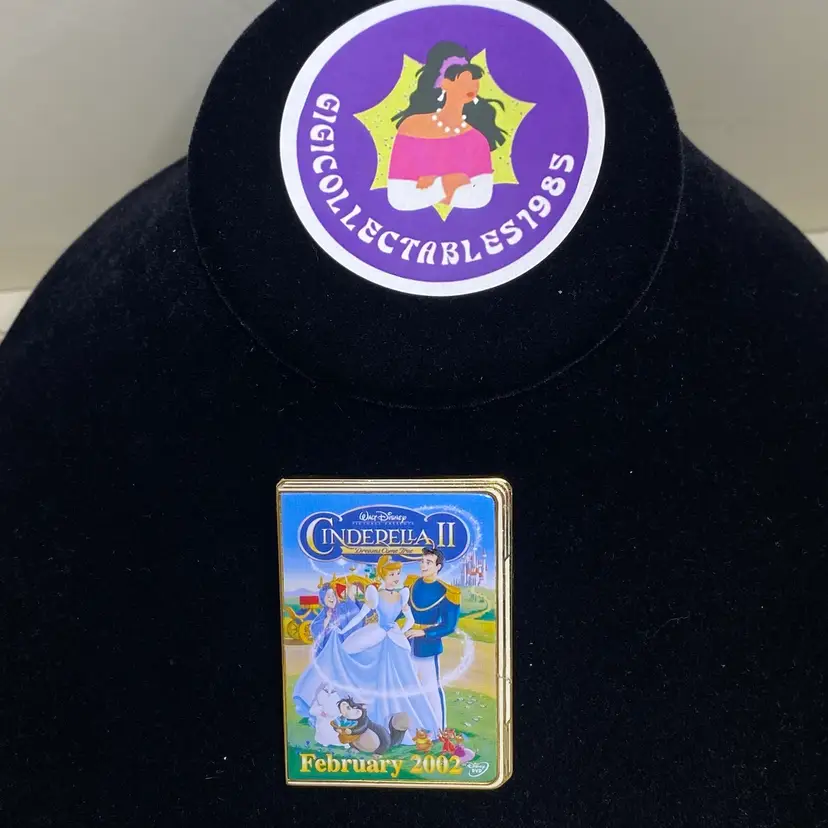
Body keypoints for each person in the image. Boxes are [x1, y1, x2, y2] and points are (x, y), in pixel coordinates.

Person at [293, 556, 441, 741]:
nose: (396, 577)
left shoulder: (403, 593)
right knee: (365, 668)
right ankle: (369, 719)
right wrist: (343, 630)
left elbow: (410, 619)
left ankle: (402, 725)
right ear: (382, 575)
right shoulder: (374, 593)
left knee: (403, 679)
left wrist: (400, 631)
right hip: (377, 636)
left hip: (394, 639)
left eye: (397, 573)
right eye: (392, 574)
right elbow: (360, 615)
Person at [387, 41, 506, 212]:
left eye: (469, 72)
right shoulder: (411, 128)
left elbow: (480, 199)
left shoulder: (478, 139)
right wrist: (451, 181)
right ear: (440, 81)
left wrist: (433, 186)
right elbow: (399, 199)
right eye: (455, 71)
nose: (466, 78)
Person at [404, 547, 460, 729]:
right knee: (406, 687)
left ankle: (438, 730)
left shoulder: (448, 592)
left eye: (428, 562)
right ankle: (410, 729)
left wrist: (425, 633)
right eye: (422, 561)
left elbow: (449, 626)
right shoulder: (411, 584)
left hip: (428, 647)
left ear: (438, 566)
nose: (423, 565)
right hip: (406, 644)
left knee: (430, 689)